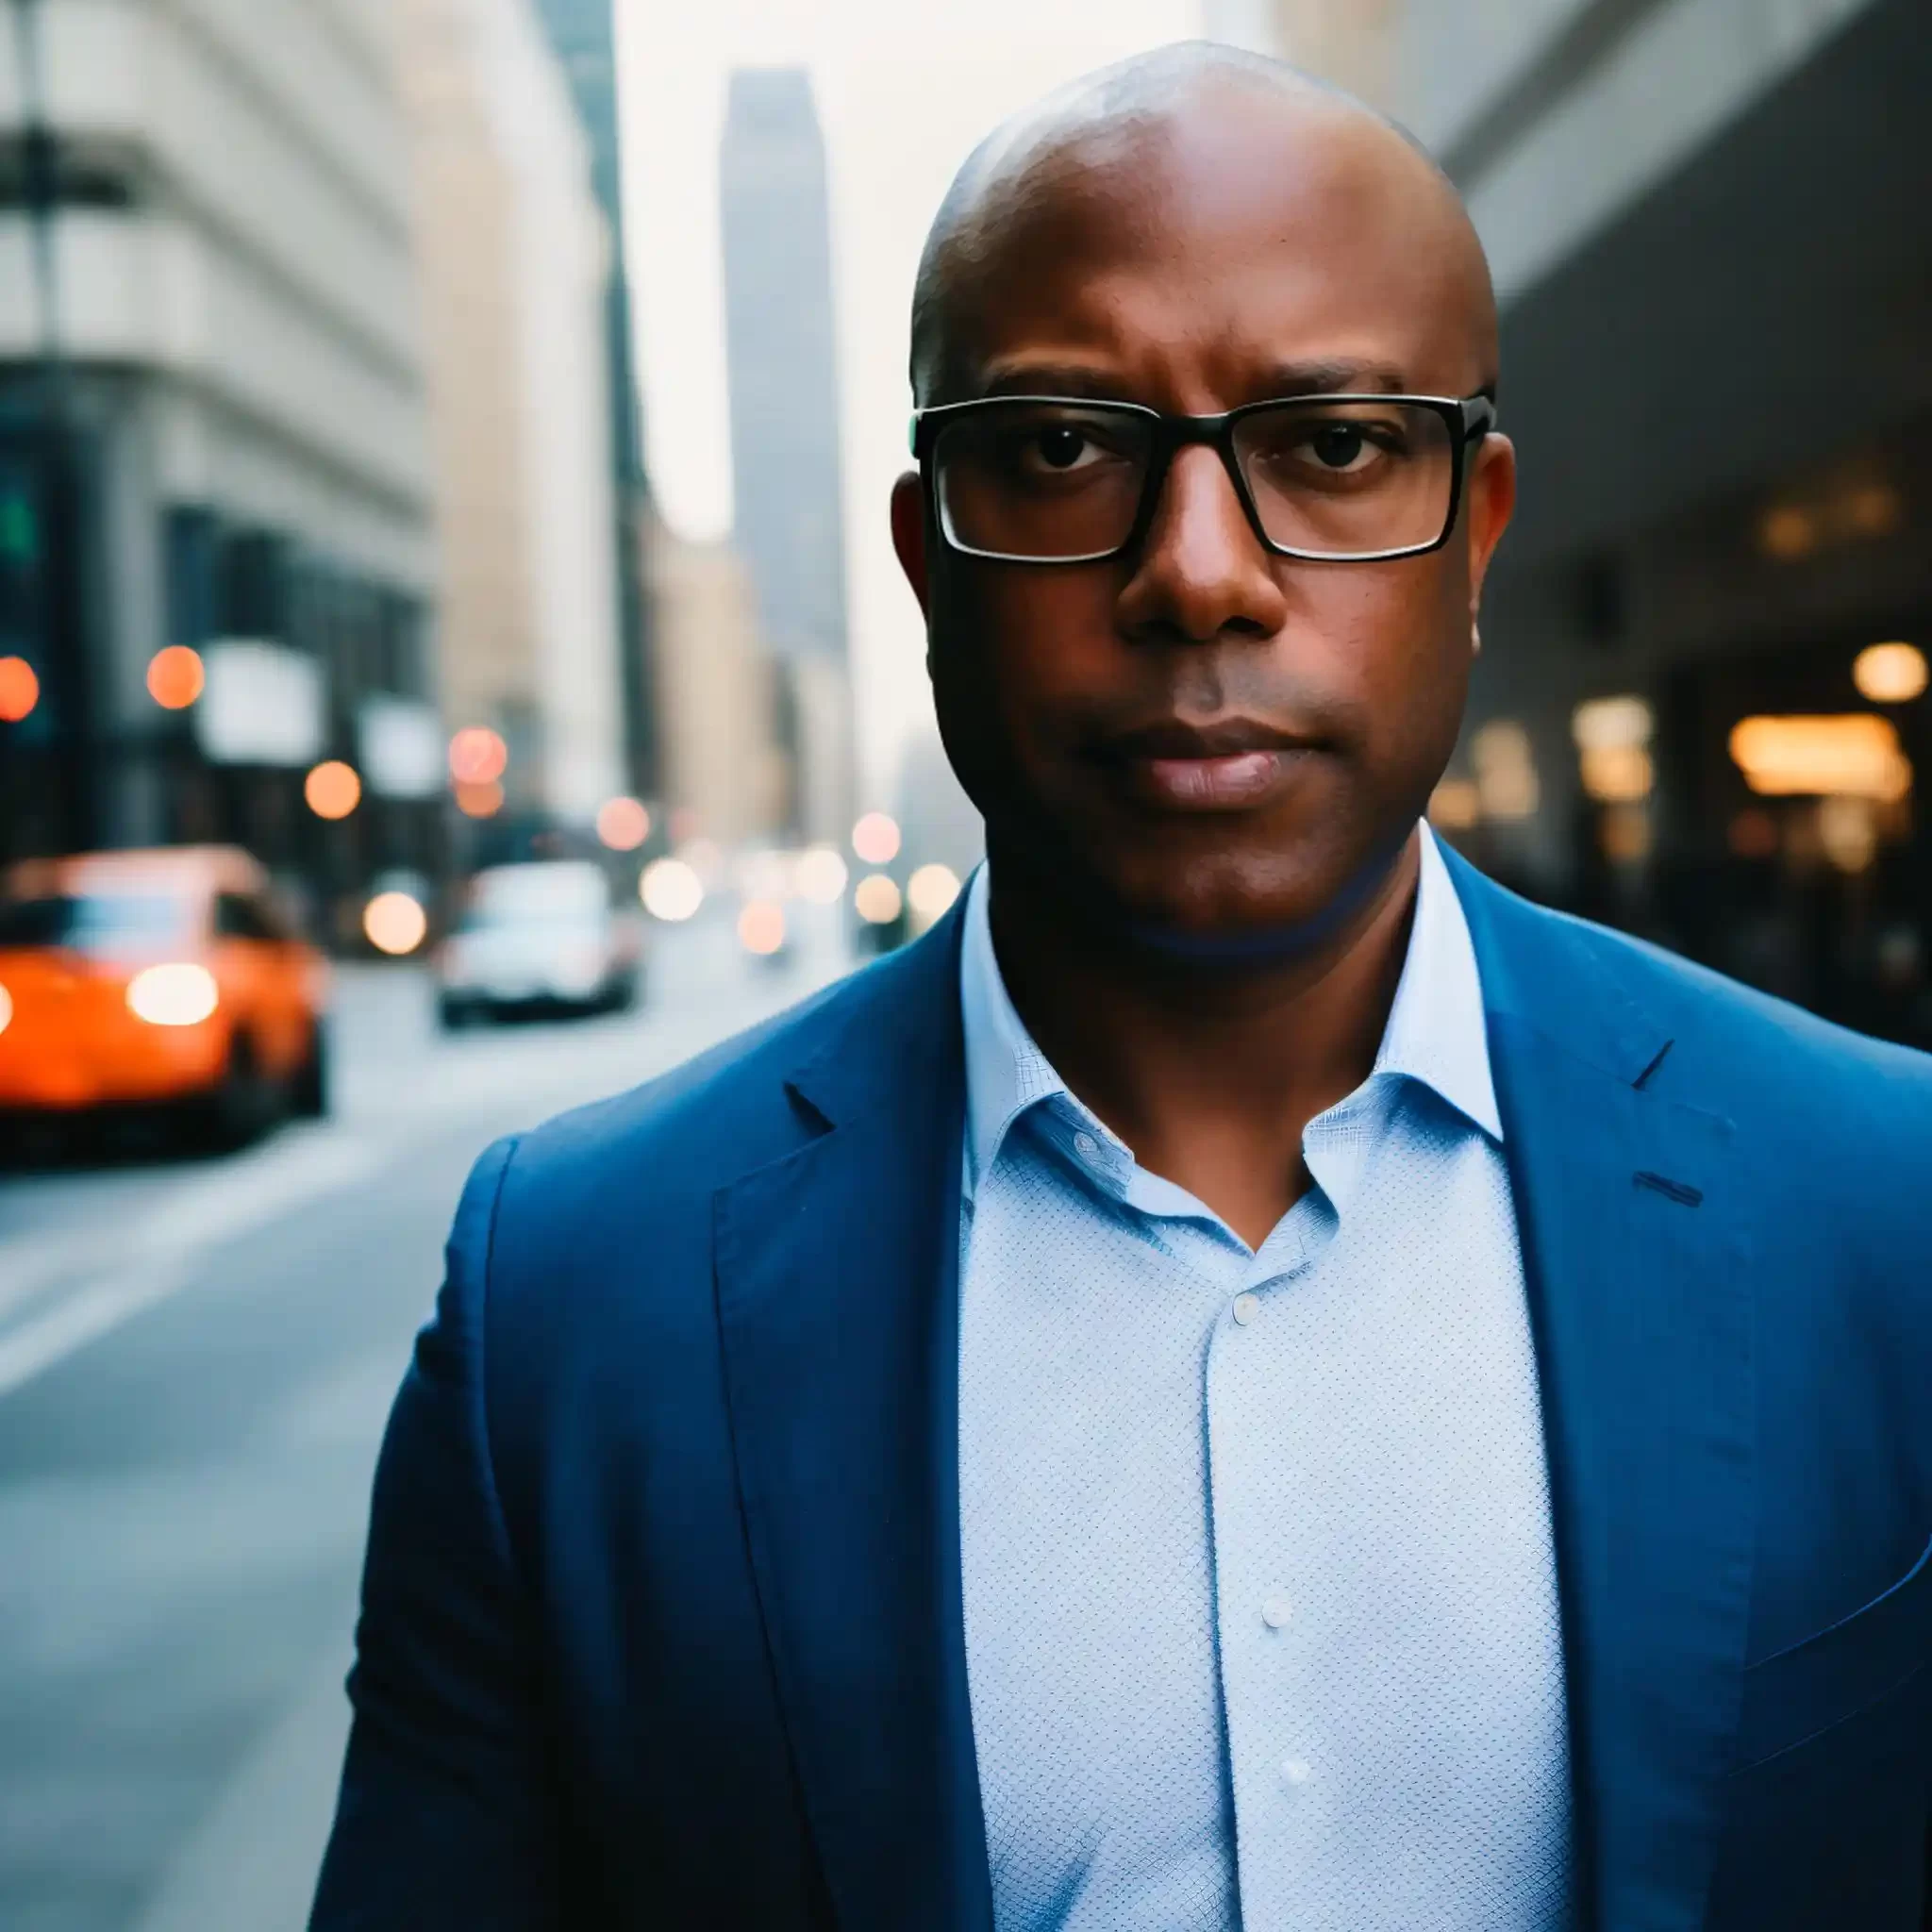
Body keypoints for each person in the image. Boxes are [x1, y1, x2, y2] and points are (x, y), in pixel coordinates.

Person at [310, 43, 1932, 1932]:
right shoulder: (572, 1306)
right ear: (928, 560)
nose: (1195, 576)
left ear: (1475, 534)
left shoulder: (1877, 1203)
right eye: (1062, 449)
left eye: (1328, 444)